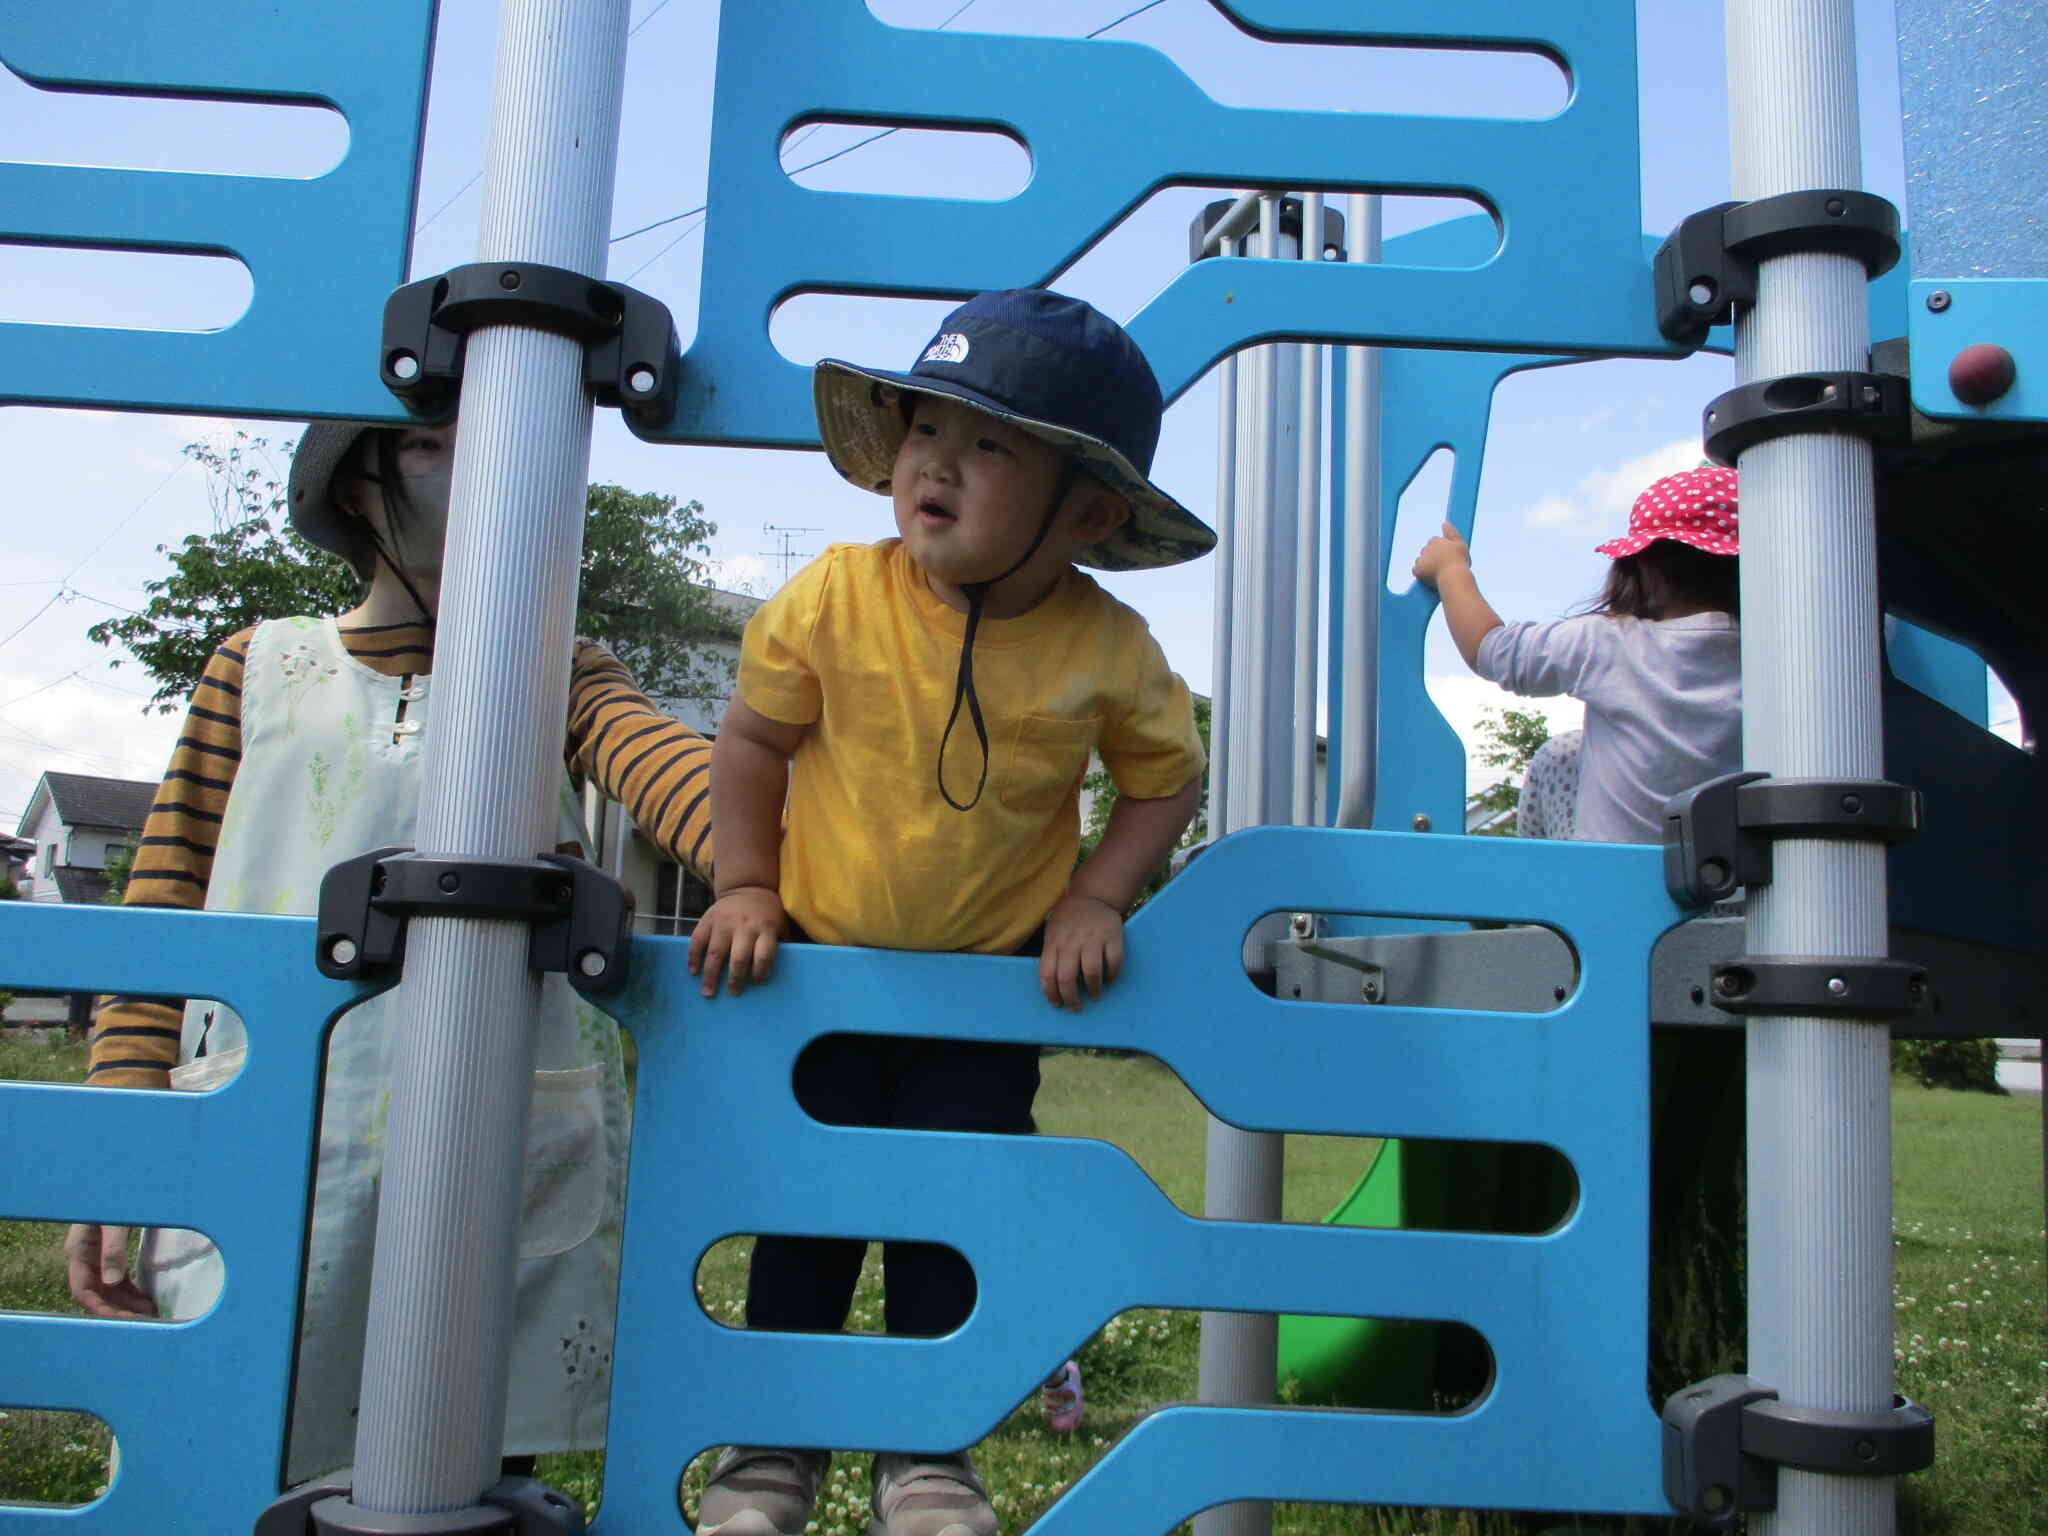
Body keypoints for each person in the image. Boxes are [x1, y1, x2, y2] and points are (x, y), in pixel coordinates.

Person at [686, 288, 1211, 1536]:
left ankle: (928, 1458)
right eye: (926, 429)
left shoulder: (1107, 645)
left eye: (988, 447)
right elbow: (753, 742)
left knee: (949, 1226)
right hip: (816, 976)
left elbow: (1166, 777)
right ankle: (771, 1454)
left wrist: (1095, 893)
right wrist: (745, 880)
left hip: (978, 1001)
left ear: (1085, 512)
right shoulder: (832, 597)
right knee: (803, 1214)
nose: (937, 463)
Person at [65, 418, 630, 1485]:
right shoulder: (259, 664)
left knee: (471, 1453)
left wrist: (765, 859)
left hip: (496, 1122)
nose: (480, 462)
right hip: (273, 1118)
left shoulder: (558, 670)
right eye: (429, 443)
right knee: (242, 1440)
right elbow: (164, 901)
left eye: (500, 430)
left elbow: (670, 779)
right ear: (359, 488)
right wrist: (120, 1145)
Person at [1412, 464, 1741, 844]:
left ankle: (1539, 871)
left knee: (1562, 754)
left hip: (1614, 884)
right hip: (1741, 889)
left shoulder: (1609, 642)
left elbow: (1491, 650)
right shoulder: (1779, 658)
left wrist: (1451, 571)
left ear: (1642, 566)